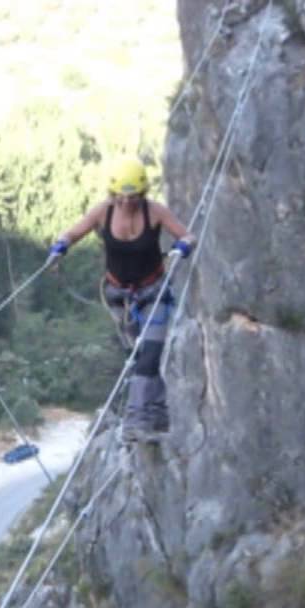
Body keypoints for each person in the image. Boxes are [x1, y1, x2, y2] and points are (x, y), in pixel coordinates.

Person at [48, 157, 197, 442]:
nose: (127, 202)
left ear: (143, 193)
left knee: (150, 353)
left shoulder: (154, 212)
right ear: (113, 193)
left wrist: (183, 245)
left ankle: (135, 422)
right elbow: (74, 232)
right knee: (140, 357)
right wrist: (60, 246)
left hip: (154, 292)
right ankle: (156, 415)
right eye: (121, 196)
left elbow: (189, 236)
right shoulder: (103, 212)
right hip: (120, 299)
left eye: (133, 196)